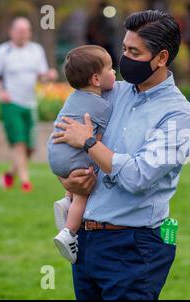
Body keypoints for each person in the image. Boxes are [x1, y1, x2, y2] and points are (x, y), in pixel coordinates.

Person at [51, 10, 190, 300]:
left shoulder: (178, 115)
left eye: (134, 51)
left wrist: (90, 143)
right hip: (86, 240)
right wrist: (67, 179)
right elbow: (63, 138)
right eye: (124, 49)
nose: (124, 58)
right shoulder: (110, 92)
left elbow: (139, 175)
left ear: (162, 58)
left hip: (133, 246)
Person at [47, 45, 115, 263]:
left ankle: (67, 200)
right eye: (110, 69)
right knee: (85, 189)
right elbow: (97, 142)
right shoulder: (101, 106)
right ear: (96, 79)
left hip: (55, 152)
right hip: (71, 157)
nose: (114, 73)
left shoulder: (73, 97)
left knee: (79, 173)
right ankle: (69, 232)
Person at [0, 17, 58, 193]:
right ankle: (25, 182)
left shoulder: (36, 50)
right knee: (19, 142)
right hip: (11, 103)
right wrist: (1, 92)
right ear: (11, 31)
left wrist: (49, 75)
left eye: (26, 31)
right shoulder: (1, 52)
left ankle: (10, 174)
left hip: (30, 103)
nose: (23, 34)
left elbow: (41, 76)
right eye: (19, 30)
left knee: (31, 147)